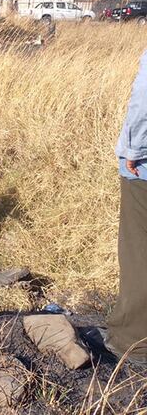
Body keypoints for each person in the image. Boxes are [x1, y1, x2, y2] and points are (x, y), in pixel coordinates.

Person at [104, 49, 147, 365]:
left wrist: (134, 148)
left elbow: (144, 102)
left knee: (138, 250)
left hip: (142, 168)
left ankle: (132, 340)